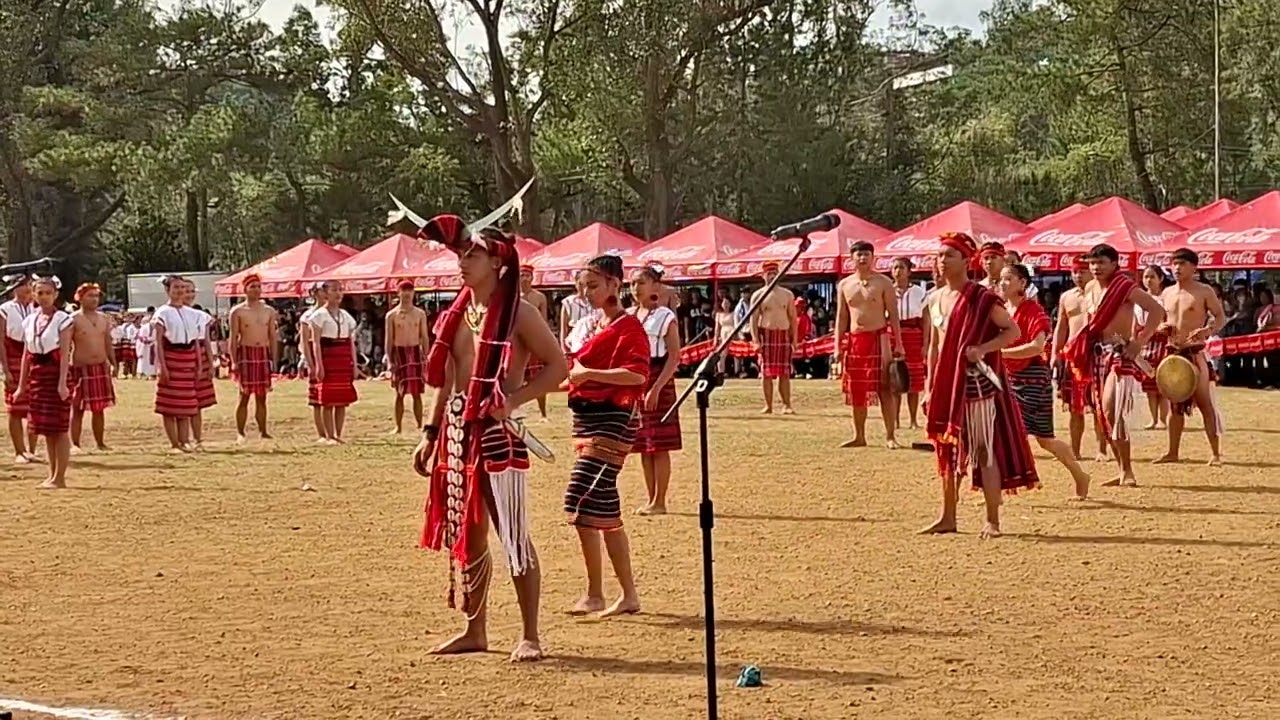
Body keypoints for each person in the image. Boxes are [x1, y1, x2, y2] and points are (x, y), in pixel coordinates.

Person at [412, 216, 566, 662]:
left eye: (473, 255)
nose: (463, 261)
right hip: (458, 431)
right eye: (461, 254)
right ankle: (474, 629)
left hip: (498, 432)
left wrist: (513, 399)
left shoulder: (520, 312)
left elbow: (558, 367)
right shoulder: (457, 313)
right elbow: (449, 379)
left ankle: (530, 634)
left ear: (498, 265)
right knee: (470, 536)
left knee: (513, 534)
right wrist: (431, 431)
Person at [922, 233, 1039, 538]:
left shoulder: (981, 297)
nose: (942, 261)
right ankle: (947, 516)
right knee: (946, 449)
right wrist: (929, 386)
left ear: (966, 260)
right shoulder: (934, 298)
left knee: (984, 450)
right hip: (946, 385)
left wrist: (983, 348)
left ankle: (992, 520)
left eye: (949, 255)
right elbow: (935, 347)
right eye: (940, 256)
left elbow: (1011, 331)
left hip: (975, 385)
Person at [561, 252, 648, 617]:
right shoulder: (593, 326)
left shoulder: (629, 328)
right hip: (586, 420)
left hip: (615, 420)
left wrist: (589, 376)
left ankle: (615, 593)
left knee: (580, 497)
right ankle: (604, 593)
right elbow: (575, 374)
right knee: (597, 506)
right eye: (583, 287)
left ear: (615, 284)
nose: (587, 293)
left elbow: (638, 375)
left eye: (594, 285)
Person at [1063, 243, 1166, 487]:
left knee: (1113, 410)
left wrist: (1140, 341)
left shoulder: (1125, 287)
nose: (1096, 267)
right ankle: (1121, 469)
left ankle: (1128, 470)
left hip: (1119, 354)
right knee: (1101, 415)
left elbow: (1156, 310)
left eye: (1101, 262)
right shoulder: (1089, 288)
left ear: (1114, 264)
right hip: (1095, 355)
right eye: (1092, 263)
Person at [999, 264, 1091, 499]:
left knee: (1044, 439)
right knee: (1004, 431)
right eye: (1002, 279)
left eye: (1009, 279)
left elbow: (1037, 347)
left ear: (1022, 283)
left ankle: (1079, 475)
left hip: (1032, 379)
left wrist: (1001, 354)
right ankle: (1002, 486)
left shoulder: (1034, 311)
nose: (1003, 283)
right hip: (1007, 377)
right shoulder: (1001, 311)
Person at [1153, 248, 1227, 466]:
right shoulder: (1166, 293)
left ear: (1194, 267)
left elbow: (1220, 317)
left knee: (1205, 404)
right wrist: (1161, 327)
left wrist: (1208, 330)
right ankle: (1172, 452)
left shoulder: (1204, 291)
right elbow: (1157, 320)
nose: (1177, 268)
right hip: (1172, 352)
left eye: (1182, 264)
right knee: (1174, 405)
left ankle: (1215, 453)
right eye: (1174, 264)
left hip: (1194, 352)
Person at [833, 241, 904, 448]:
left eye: (866, 254)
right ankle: (859, 436)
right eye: (858, 255)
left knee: (885, 387)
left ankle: (890, 436)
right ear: (851, 258)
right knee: (856, 389)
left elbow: (893, 315)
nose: (862, 258)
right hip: (855, 341)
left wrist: (898, 343)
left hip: (879, 338)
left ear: (873, 257)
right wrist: (837, 346)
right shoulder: (844, 285)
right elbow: (841, 318)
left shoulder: (883, 283)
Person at [629, 265, 682, 515]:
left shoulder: (665, 316)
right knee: (643, 445)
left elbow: (674, 357)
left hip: (658, 377)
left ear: (655, 286)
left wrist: (657, 388)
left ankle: (660, 500)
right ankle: (650, 498)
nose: (635, 288)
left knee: (659, 445)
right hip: (636, 379)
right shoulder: (630, 316)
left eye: (641, 282)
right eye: (632, 283)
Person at [15, 275, 73, 488]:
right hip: (37, 374)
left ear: (56, 295)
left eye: (48, 293)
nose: (44, 297)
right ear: (34, 295)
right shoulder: (29, 321)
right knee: (46, 429)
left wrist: (63, 383)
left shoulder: (63, 320)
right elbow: (25, 355)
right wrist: (22, 385)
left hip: (55, 371)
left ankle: (61, 476)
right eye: (40, 293)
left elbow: (66, 353)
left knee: (59, 427)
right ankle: (51, 474)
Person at [1050, 257, 1109, 462]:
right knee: (1075, 408)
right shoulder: (1067, 297)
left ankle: (1102, 449)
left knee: (1099, 405)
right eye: (1075, 272)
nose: (1078, 275)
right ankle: (1075, 450)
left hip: (1097, 353)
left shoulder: (1102, 293)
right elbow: (1061, 327)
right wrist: (1054, 354)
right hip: (1073, 357)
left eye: (1082, 271)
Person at [153, 277, 203, 452]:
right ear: (168, 290)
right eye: (176, 287)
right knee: (170, 406)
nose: (180, 290)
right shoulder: (162, 313)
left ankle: (185, 440)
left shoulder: (191, 313)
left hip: (187, 358)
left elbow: (196, 340)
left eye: (182, 287)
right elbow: (158, 342)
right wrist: (162, 366)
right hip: (171, 356)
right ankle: (174, 443)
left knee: (186, 404)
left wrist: (198, 363)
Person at [228, 273, 278, 443]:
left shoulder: (269, 311)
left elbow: (272, 336)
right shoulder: (238, 311)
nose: (256, 290)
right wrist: (234, 361)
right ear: (245, 289)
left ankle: (263, 431)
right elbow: (233, 337)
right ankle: (240, 432)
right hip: (246, 352)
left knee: (262, 396)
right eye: (252, 287)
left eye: (258, 286)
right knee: (244, 395)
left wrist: (274, 359)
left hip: (262, 353)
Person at [68, 283, 116, 453]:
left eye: (96, 296)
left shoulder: (104, 318)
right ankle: (75, 444)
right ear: (80, 298)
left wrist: (114, 362)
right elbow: (66, 345)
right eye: (90, 296)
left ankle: (100, 443)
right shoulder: (73, 319)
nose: (94, 299)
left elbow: (107, 342)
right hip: (80, 368)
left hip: (100, 367)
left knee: (99, 408)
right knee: (77, 408)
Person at [308, 280, 358, 444]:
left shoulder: (346, 316)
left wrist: (355, 364)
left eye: (340, 290)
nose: (338, 294)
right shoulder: (317, 317)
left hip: (343, 358)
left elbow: (351, 342)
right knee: (327, 399)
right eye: (334, 290)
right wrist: (318, 365)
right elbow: (315, 343)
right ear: (325, 293)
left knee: (341, 400)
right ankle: (329, 435)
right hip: (328, 356)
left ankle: (338, 434)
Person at [749, 261, 796, 414]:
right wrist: (755, 340)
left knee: (784, 373)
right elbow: (753, 320)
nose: (771, 276)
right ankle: (768, 406)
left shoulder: (787, 294)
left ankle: (787, 405)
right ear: (763, 276)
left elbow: (793, 318)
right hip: (766, 335)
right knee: (766, 373)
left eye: (774, 273)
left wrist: (794, 339)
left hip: (783, 335)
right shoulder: (758, 295)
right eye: (769, 274)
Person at [1, 275, 38, 464]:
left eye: (28, 286)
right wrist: (5, 369)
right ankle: (19, 450)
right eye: (22, 286)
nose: (26, 289)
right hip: (14, 358)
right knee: (15, 408)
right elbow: (1, 341)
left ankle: (32, 449)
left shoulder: (35, 308)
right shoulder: (5, 310)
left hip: (34, 358)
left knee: (35, 406)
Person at [385, 280, 429, 435]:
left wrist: (426, 356)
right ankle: (398, 427)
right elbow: (389, 340)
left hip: (415, 353)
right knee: (399, 392)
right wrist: (390, 360)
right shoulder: (391, 315)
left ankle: (419, 425)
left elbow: (424, 337)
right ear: (399, 293)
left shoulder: (420, 314)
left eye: (410, 291)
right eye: (404, 291)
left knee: (417, 393)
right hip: (399, 353)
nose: (407, 295)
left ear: (413, 294)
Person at [891, 257, 927, 429]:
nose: (898, 271)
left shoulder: (919, 292)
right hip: (894, 335)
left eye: (901, 268)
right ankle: (895, 420)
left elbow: (925, 320)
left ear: (909, 271)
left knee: (914, 380)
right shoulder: (887, 290)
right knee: (895, 379)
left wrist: (925, 343)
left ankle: (913, 419)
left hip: (914, 335)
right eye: (895, 268)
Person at [1136, 265, 1172, 429]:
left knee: (1162, 385)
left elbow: (1171, 321)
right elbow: (1135, 323)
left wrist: (1159, 328)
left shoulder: (1166, 299)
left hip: (1162, 344)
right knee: (1149, 385)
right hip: (1145, 345)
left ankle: (1163, 419)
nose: (1148, 280)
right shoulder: (1138, 301)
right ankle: (1153, 418)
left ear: (1160, 279)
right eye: (1146, 277)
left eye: (1152, 277)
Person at [519, 264, 551, 421]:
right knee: (513, 377)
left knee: (537, 378)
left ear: (532, 277)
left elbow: (544, 321)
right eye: (522, 275)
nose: (524, 278)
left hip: (534, 341)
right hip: (516, 342)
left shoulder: (539, 297)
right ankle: (514, 409)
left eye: (527, 275)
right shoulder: (512, 297)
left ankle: (543, 413)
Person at [298, 284, 327, 442]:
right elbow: (305, 342)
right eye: (322, 290)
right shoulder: (307, 316)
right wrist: (311, 363)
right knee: (317, 399)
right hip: (315, 356)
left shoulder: (333, 313)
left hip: (330, 354)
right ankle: (321, 433)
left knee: (332, 397)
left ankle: (333, 432)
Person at [189, 292, 217, 450]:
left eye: (191, 291)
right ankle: (182, 438)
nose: (188, 294)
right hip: (182, 352)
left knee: (197, 401)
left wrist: (211, 364)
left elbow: (206, 341)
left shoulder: (201, 316)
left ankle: (197, 438)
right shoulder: (167, 313)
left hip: (200, 354)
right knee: (182, 400)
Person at [558, 272, 593, 347]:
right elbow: (563, 329)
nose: (582, 287)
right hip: (573, 341)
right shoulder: (568, 302)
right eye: (580, 283)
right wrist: (563, 348)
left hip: (591, 340)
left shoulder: (595, 301)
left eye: (585, 284)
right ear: (576, 284)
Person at [134, 310, 156, 379]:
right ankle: (142, 373)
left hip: (153, 345)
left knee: (152, 360)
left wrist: (153, 341)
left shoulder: (156, 327)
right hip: (144, 346)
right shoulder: (144, 327)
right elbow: (140, 336)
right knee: (143, 360)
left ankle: (152, 374)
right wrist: (146, 340)